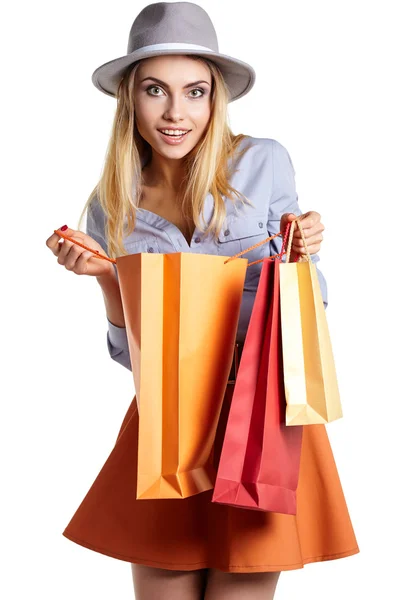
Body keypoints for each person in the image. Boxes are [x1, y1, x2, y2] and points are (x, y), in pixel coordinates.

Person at [46, 3, 359, 598]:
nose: (175, 113)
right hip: (168, 422)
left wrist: (301, 254)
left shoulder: (263, 161)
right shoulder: (110, 206)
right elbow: (133, 358)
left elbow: (308, 313)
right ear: (129, 100)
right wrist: (106, 279)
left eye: (195, 91)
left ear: (216, 98)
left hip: (262, 417)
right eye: (155, 91)